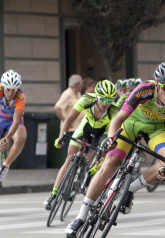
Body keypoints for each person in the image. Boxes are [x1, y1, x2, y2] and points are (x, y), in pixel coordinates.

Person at [65, 61, 165, 238]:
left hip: (156, 129)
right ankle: (80, 217)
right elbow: (119, 117)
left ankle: (129, 189)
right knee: (110, 163)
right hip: (131, 123)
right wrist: (112, 138)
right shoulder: (144, 90)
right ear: (157, 83)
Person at [43, 80, 120, 210]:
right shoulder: (85, 100)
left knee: (104, 151)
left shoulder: (114, 111)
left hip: (102, 133)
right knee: (69, 158)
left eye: (109, 100)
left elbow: (113, 135)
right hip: (85, 128)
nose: (105, 103)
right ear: (96, 96)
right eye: (102, 99)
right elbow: (69, 119)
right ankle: (54, 194)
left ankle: (91, 172)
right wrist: (61, 136)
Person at [54, 74, 84, 152]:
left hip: (78, 128)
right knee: (71, 153)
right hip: (70, 129)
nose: (82, 85)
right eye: (81, 83)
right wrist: (65, 120)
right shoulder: (67, 94)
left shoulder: (78, 94)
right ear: (77, 84)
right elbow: (57, 108)